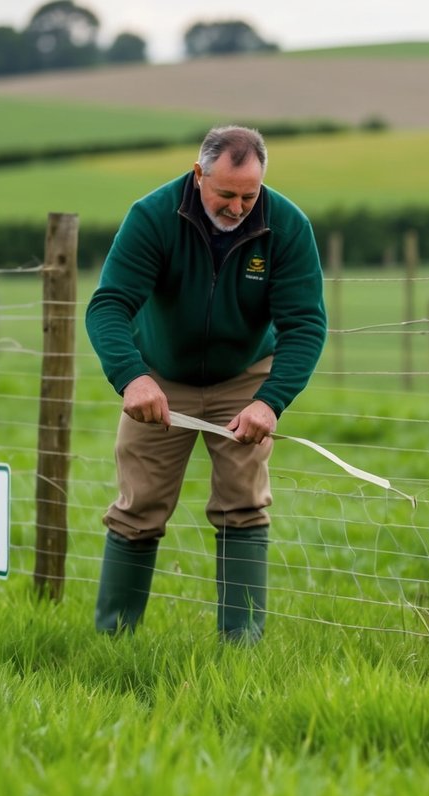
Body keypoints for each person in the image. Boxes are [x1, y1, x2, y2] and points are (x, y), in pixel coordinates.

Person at [85, 124, 327, 642]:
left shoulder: (286, 226)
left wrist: (270, 403)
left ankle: (241, 645)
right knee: (138, 506)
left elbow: (305, 324)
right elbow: (109, 306)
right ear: (199, 175)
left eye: (249, 194)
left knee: (243, 503)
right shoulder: (152, 216)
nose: (239, 207)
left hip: (244, 379)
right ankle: (114, 640)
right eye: (226, 194)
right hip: (159, 380)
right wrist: (132, 378)